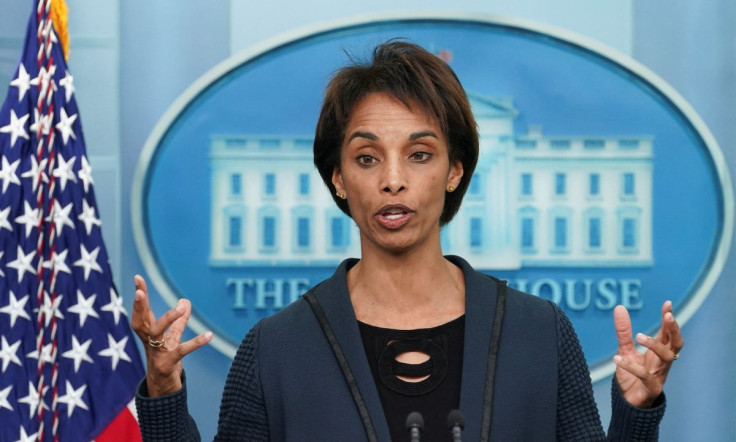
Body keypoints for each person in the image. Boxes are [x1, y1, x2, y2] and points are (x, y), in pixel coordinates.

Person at [131, 40, 683, 441]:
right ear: (339, 179)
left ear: (455, 171)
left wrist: (636, 414)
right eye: (367, 157)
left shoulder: (539, 334)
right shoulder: (275, 349)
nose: (392, 179)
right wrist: (163, 396)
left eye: (419, 154)